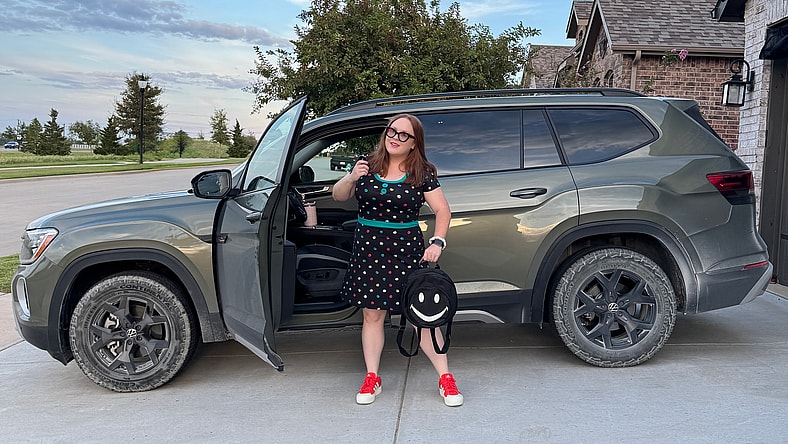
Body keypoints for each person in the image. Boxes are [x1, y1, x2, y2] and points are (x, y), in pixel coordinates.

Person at [332, 114, 463, 407]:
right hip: (368, 250)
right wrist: (352, 177)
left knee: (422, 316)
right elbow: (339, 196)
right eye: (392, 131)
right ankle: (372, 377)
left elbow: (443, 211)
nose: (395, 137)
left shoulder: (422, 172)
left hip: (406, 251)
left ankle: (445, 378)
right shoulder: (367, 165)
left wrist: (438, 241)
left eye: (404, 135)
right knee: (372, 315)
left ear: (415, 143)